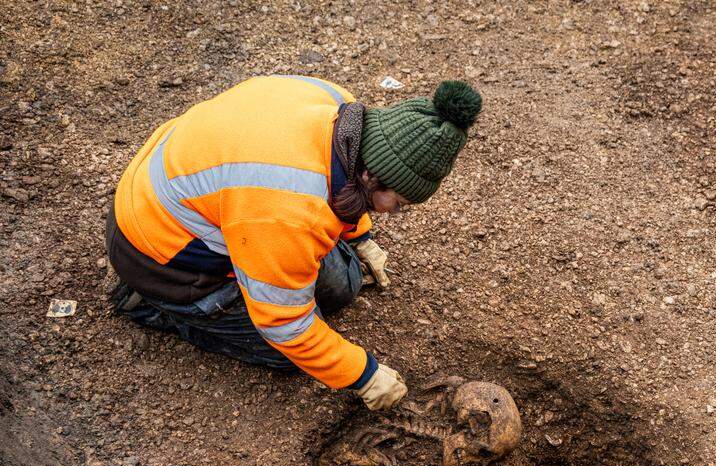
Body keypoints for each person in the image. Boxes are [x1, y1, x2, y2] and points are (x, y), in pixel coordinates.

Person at [106, 76, 482, 410]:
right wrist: (362, 373)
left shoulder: (338, 108)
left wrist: (361, 235)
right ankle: (154, 306)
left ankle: (248, 274)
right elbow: (284, 325)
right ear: (371, 175)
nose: (395, 213)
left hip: (195, 195)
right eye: (398, 204)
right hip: (160, 255)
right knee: (288, 353)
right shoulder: (286, 209)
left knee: (342, 286)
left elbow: (337, 180)